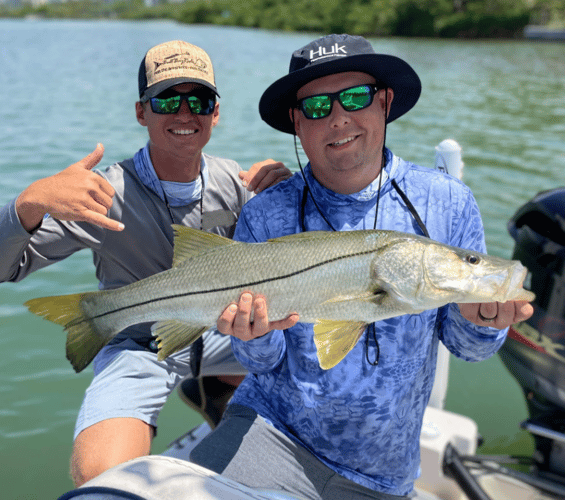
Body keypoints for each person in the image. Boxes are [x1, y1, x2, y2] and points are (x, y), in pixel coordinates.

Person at [189, 34, 534, 500]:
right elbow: (260, 361)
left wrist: (480, 323)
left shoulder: (446, 202)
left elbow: (468, 348)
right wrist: (253, 336)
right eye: (316, 107)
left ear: (385, 102)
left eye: (355, 97)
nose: (338, 118)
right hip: (270, 434)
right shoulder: (266, 213)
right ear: (296, 121)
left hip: (384, 469)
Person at [0, 40, 291, 486]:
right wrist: (27, 205)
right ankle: (216, 388)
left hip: (227, 335)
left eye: (199, 100)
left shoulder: (238, 185)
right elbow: (8, 267)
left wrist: (288, 192)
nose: (184, 113)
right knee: (104, 480)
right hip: (141, 344)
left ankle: (220, 386)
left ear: (215, 113)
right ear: (142, 112)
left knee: (308, 359)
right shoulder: (102, 193)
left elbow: (297, 268)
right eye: (167, 99)